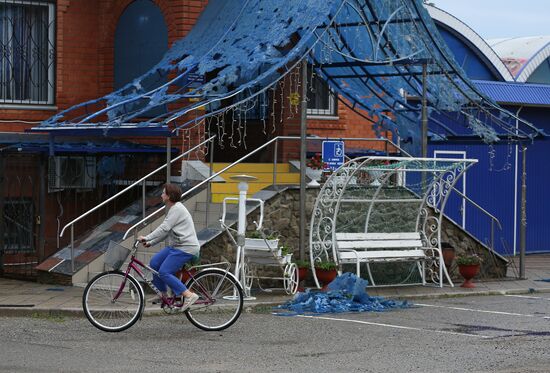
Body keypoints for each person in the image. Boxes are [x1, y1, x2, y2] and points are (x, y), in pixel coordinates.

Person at [138, 183, 200, 311]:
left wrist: (147, 237)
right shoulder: (172, 209)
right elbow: (167, 231)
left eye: (163, 193)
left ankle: (188, 295)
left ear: (169, 196)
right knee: (155, 262)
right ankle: (163, 294)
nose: (161, 195)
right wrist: (151, 243)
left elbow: (164, 228)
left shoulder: (177, 208)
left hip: (185, 247)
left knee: (164, 272)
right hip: (176, 246)